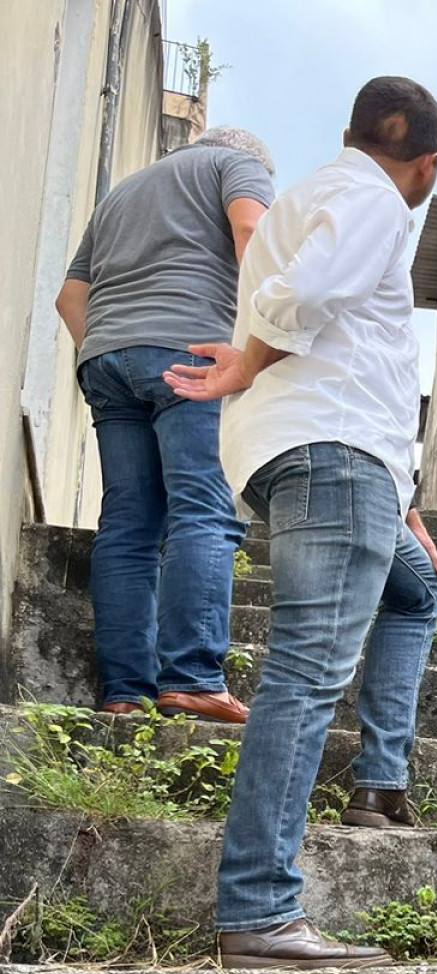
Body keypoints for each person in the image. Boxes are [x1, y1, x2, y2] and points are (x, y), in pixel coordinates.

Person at [164, 77, 437, 970]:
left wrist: (401, 493)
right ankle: (258, 909)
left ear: (349, 132)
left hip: (333, 455)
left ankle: (380, 783)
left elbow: (344, 351)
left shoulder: (306, 197)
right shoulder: (372, 199)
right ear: (427, 165)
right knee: (305, 671)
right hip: (333, 457)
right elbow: (304, 302)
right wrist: (249, 357)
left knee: (419, 588)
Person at [56, 128, 277, 724]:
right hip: (190, 353)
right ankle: (193, 679)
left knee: (128, 524)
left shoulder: (121, 194)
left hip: (105, 357)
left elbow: (71, 296)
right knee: (203, 510)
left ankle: (126, 692)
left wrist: (111, 348)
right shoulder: (239, 166)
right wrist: (260, 348)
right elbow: (253, 233)